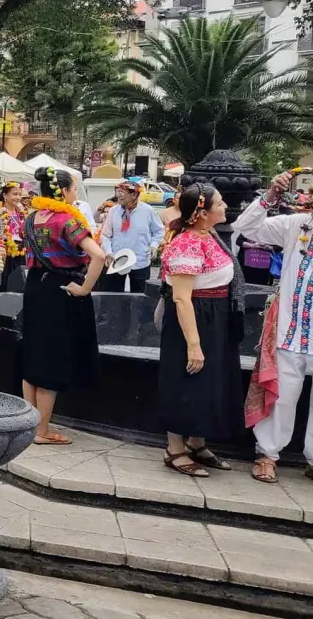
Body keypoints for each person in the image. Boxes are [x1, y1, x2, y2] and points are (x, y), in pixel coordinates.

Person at [157, 184, 243, 478]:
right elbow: (181, 297)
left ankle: (196, 442)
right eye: (219, 204)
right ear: (202, 213)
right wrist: (194, 343)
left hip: (215, 316)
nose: (224, 207)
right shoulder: (186, 244)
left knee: (209, 380)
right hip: (193, 316)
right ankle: (174, 448)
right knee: (186, 376)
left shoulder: (211, 236)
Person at [233, 171, 313, 484]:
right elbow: (245, 228)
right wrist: (270, 197)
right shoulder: (299, 225)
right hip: (291, 330)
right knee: (281, 395)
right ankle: (268, 455)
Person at [20, 167, 106, 445]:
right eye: (73, 189)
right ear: (65, 191)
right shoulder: (66, 220)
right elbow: (98, 256)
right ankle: (42, 431)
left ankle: (31, 424)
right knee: (52, 356)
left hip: (35, 287)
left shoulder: (32, 218)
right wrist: (83, 289)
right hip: (60, 289)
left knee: (33, 352)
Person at [99, 180, 165, 293]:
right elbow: (105, 235)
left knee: (141, 297)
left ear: (134, 194)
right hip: (117, 261)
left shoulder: (148, 211)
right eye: (117, 192)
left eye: (122, 192)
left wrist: (154, 245)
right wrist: (108, 252)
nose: (118, 195)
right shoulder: (113, 211)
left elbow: (159, 231)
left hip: (140, 261)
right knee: (112, 296)